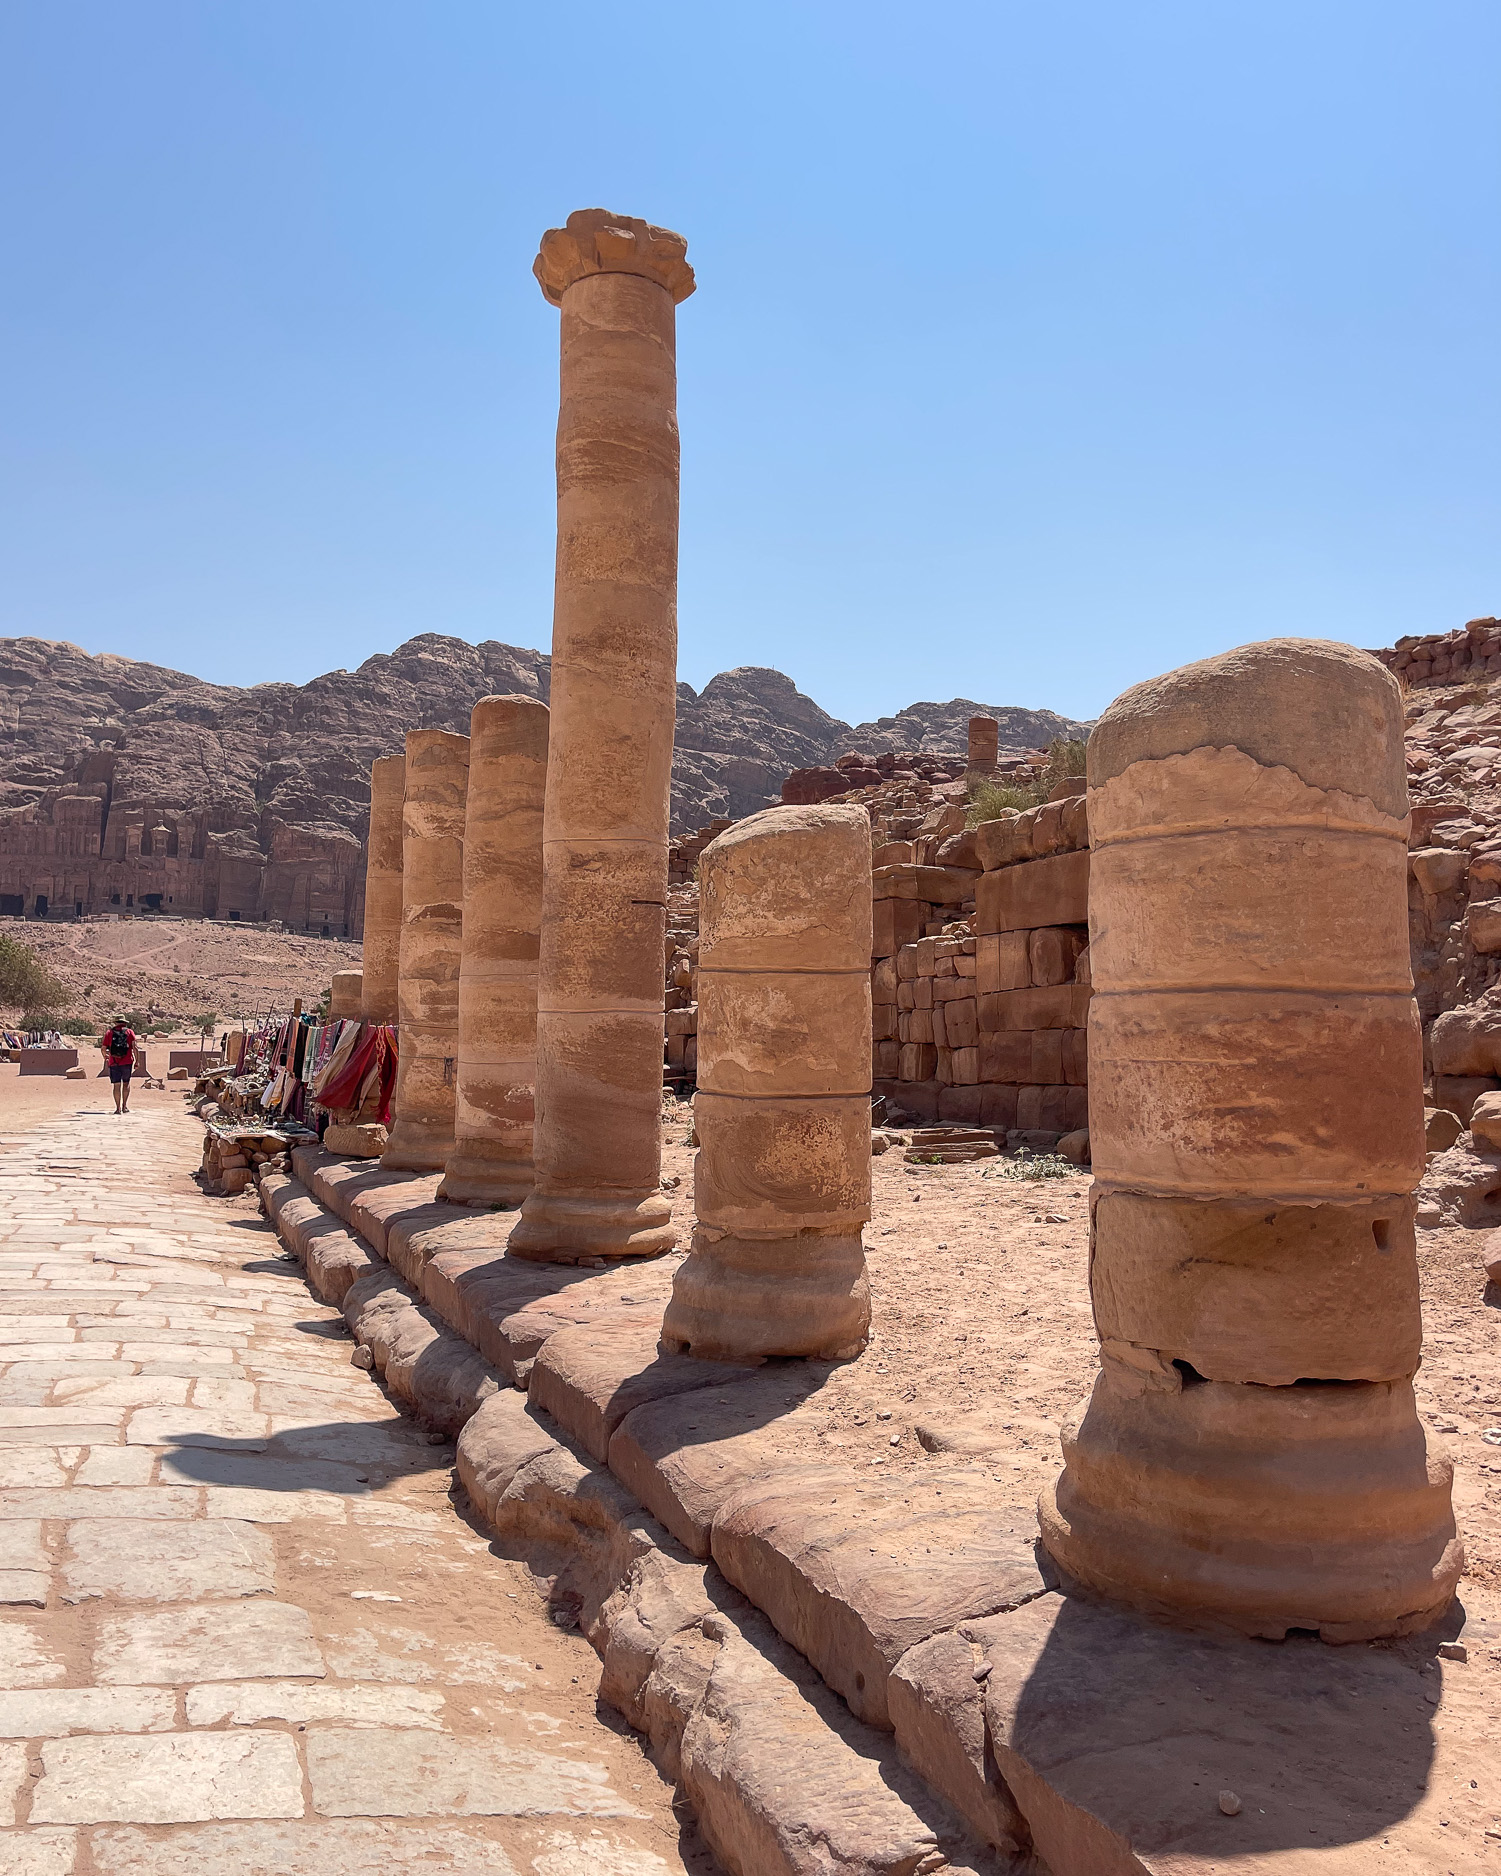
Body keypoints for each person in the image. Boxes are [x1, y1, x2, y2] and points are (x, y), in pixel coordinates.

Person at [100, 1017, 137, 1114]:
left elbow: (103, 1048)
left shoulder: (109, 1033)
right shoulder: (129, 1032)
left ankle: (117, 1108)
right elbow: (135, 1047)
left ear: (115, 1022)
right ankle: (124, 1106)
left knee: (116, 1085)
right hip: (127, 1061)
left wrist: (106, 1057)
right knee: (126, 1083)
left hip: (114, 1062)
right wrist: (137, 1061)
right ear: (124, 1023)